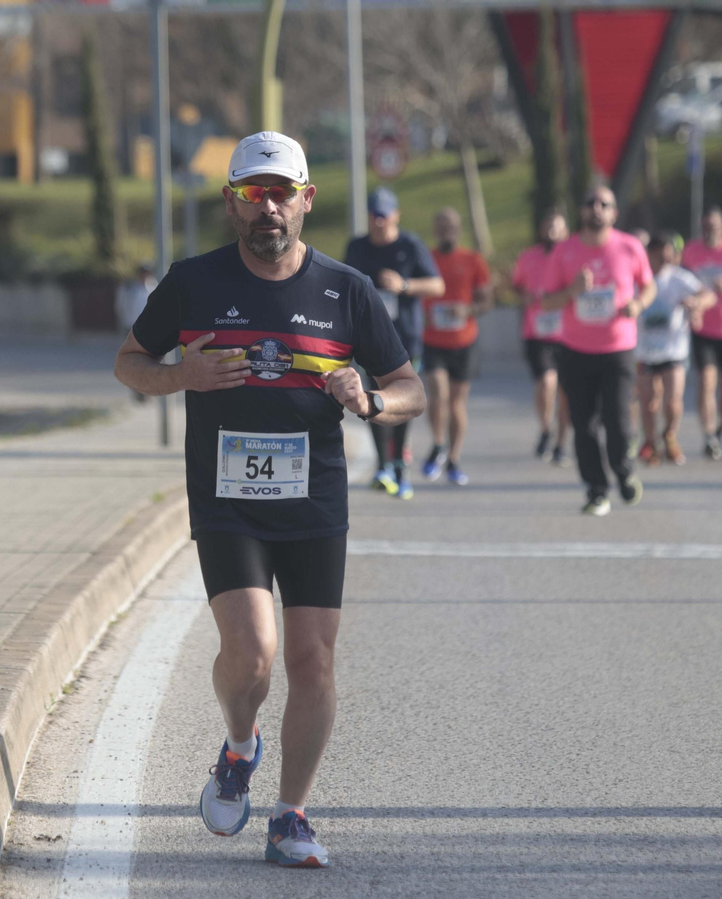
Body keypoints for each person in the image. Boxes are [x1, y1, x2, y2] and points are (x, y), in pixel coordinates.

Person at [113, 132, 424, 868]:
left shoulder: (346, 289)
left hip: (314, 497)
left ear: (307, 200)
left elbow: (413, 389)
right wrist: (180, 374)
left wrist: (372, 398)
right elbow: (129, 361)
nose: (269, 208)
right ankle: (239, 745)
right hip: (228, 493)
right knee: (252, 655)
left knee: (313, 662)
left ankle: (290, 816)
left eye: (282, 192)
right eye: (254, 194)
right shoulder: (191, 283)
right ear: (232, 203)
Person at [541, 186, 656, 516]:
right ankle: (596, 490)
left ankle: (624, 470)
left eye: (604, 204)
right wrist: (573, 291)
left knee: (617, 419)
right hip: (575, 349)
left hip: (618, 348)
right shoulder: (564, 252)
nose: (597, 208)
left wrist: (638, 304)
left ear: (614, 213)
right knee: (583, 424)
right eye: (590, 203)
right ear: (582, 211)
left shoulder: (629, 247)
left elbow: (649, 286)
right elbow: (546, 302)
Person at [343, 187, 445, 500]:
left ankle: (400, 465)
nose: (379, 221)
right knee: (371, 399)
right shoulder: (357, 247)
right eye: (374, 215)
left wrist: (404, 285)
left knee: (400, 400)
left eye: (384, 215)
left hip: (404, 340)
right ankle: (383, 466)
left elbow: (437, 285)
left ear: (396, 215)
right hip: (367, 340)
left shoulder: (410, 246)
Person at [420, 208, 494, 485]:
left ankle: (453, 458)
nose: (445, 231)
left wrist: (468, 310)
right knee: (437, 393)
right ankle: (438, 445)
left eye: (450, 225)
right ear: (435, 230)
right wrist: (422, 314)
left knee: (456, 402)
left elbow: (487, 301)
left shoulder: (473, 259)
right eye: (440, 226)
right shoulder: (426, 259)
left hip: (464, 341)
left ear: (459, 228)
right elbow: (415, 292)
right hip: (433, 340)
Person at [636, 233, 712, 466]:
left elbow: (708, 295)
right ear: (648, 255)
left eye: (667, 255)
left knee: (672, 400)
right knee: (648, 402)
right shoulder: (639, 278)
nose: (664, 260)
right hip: (644, 351)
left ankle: (670, 436)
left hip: (674, 350)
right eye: (659, 255)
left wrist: (697, 304)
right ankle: (650, 442)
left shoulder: (679, 278)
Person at [683, 206, 722, 460]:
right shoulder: (691, 251)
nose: (710, 231)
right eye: (705, 227)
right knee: (706, 382)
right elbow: (684, 283)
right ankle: (709, 435)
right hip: (702, 328)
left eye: (714, 226)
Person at [514, 210, 572, 466]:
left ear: (566, 232)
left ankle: (561, 443)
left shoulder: (573, 255)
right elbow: (516, 286)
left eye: (557, 228)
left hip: (568, 332)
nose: (552, 232)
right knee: (546, 384)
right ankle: (546, 427)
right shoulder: (528, 257)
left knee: (566, 393)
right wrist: (523, 296)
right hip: (537, 331)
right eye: (548, 227)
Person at [116, 262, 160, 404]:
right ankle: (137, 392)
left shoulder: (154, 285)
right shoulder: (129, 287)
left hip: (150, 328)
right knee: (133, 361)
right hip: (131, 326)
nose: (144, 275)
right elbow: (120, 305)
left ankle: (147, 391)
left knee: (150, 361)